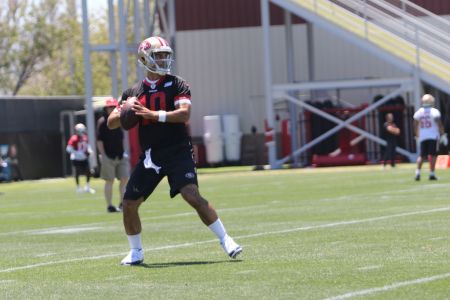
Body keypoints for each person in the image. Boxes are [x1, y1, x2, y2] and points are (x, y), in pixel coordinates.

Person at [107, 36, 242, 265]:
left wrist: (150, 114)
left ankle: (226, 239)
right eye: (158, 55)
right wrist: (127, 111)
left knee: (191, 195)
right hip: (151, 155)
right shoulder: (133, 92)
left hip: (178, 150)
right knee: (129, 203)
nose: (163, 59)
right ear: (145, 58)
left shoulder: (177, 83)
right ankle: (136, 252)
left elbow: (184, 115)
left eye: (165, 55)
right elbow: (111, 122)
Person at [97, 97, 129, 213]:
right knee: (109, 180)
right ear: (105, 109)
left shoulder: (120, 120)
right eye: (109, 107)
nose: (111, 109)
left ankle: (122, 203)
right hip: (108, 156)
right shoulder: (102, 122)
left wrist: (125, 151)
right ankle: (110, 205)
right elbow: (99, 141)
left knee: (125, 178)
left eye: (113, 107)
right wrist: (103, 155)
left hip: (120, 155)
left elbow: (123, 137)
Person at [413, 94, 448, 181]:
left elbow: (415, 125)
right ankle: (432, 173)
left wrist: (417, 135)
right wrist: (443, 134)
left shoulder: (419, 112)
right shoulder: (434, 111)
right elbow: (439, 124)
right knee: (433, 155)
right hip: (433, 135)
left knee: (421, 155)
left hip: (423, 136)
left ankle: (417, 172)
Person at [66, 123, 95, 193]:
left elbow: (87, 146)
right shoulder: (74, 138)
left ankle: (87, 186)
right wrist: (77, 153)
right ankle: (78, 187)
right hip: (76, 158)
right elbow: (68, 149)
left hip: (84, 158)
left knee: (88, 171)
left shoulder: (85, 137)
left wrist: (90, 151)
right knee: (77, 172)